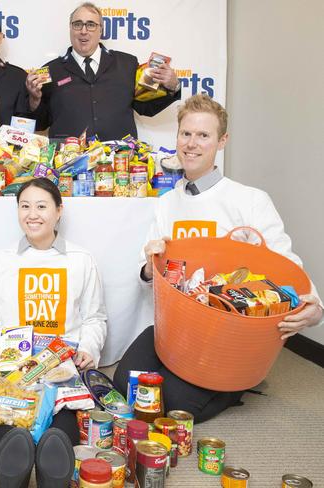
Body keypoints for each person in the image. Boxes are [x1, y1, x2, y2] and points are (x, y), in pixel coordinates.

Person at [114, 93, 324, 422]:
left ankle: (235, 384)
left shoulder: (250, 200)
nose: (192, 143)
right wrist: (147, 266)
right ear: (177, 137)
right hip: (176, 327)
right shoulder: (167, 202)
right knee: (126, 385)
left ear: (222, 141)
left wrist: (315, 307)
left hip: (224, 333)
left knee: (169, 402)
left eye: (203, 135)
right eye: (186, 133)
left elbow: (284, 261)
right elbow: (150, 275)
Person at [0, 178, 108, 487]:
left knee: (58, 433)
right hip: (14, 374)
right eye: (25, 206)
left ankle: (53, 473)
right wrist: (3, 354)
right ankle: (13, 474)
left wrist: (88, 347)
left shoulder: (81, 260)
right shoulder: (1, 261)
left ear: (59, 211)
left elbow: (95, 318)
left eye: (42, 206)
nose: (32, 214)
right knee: (13, 425)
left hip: (63, 369)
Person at [25, 2, 181, 141]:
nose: (84, 31)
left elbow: (146, 108)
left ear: (101, 30)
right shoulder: (50, 71)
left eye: (91, 24)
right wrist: (35, 101)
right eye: (77, 24)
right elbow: (41, 124)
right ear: (70, 29)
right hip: (68, 164)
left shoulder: (127, 64)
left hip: (120, 161)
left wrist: (173, 87)